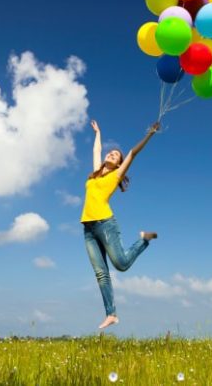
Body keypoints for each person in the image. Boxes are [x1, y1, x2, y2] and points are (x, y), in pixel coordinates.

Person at [81, 119, 160, 329]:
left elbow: (133, 153)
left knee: (121, 264)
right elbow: (96, 150)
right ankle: (111, 314)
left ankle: (144, 240)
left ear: (118, 165)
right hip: (88, 229)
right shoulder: (95, 174)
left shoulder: (116, 175)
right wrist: (98, 132)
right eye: (111, 153)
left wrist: (150, 134)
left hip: (105, 224)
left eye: (115, 155)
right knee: (101, 273)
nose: (111, 154)